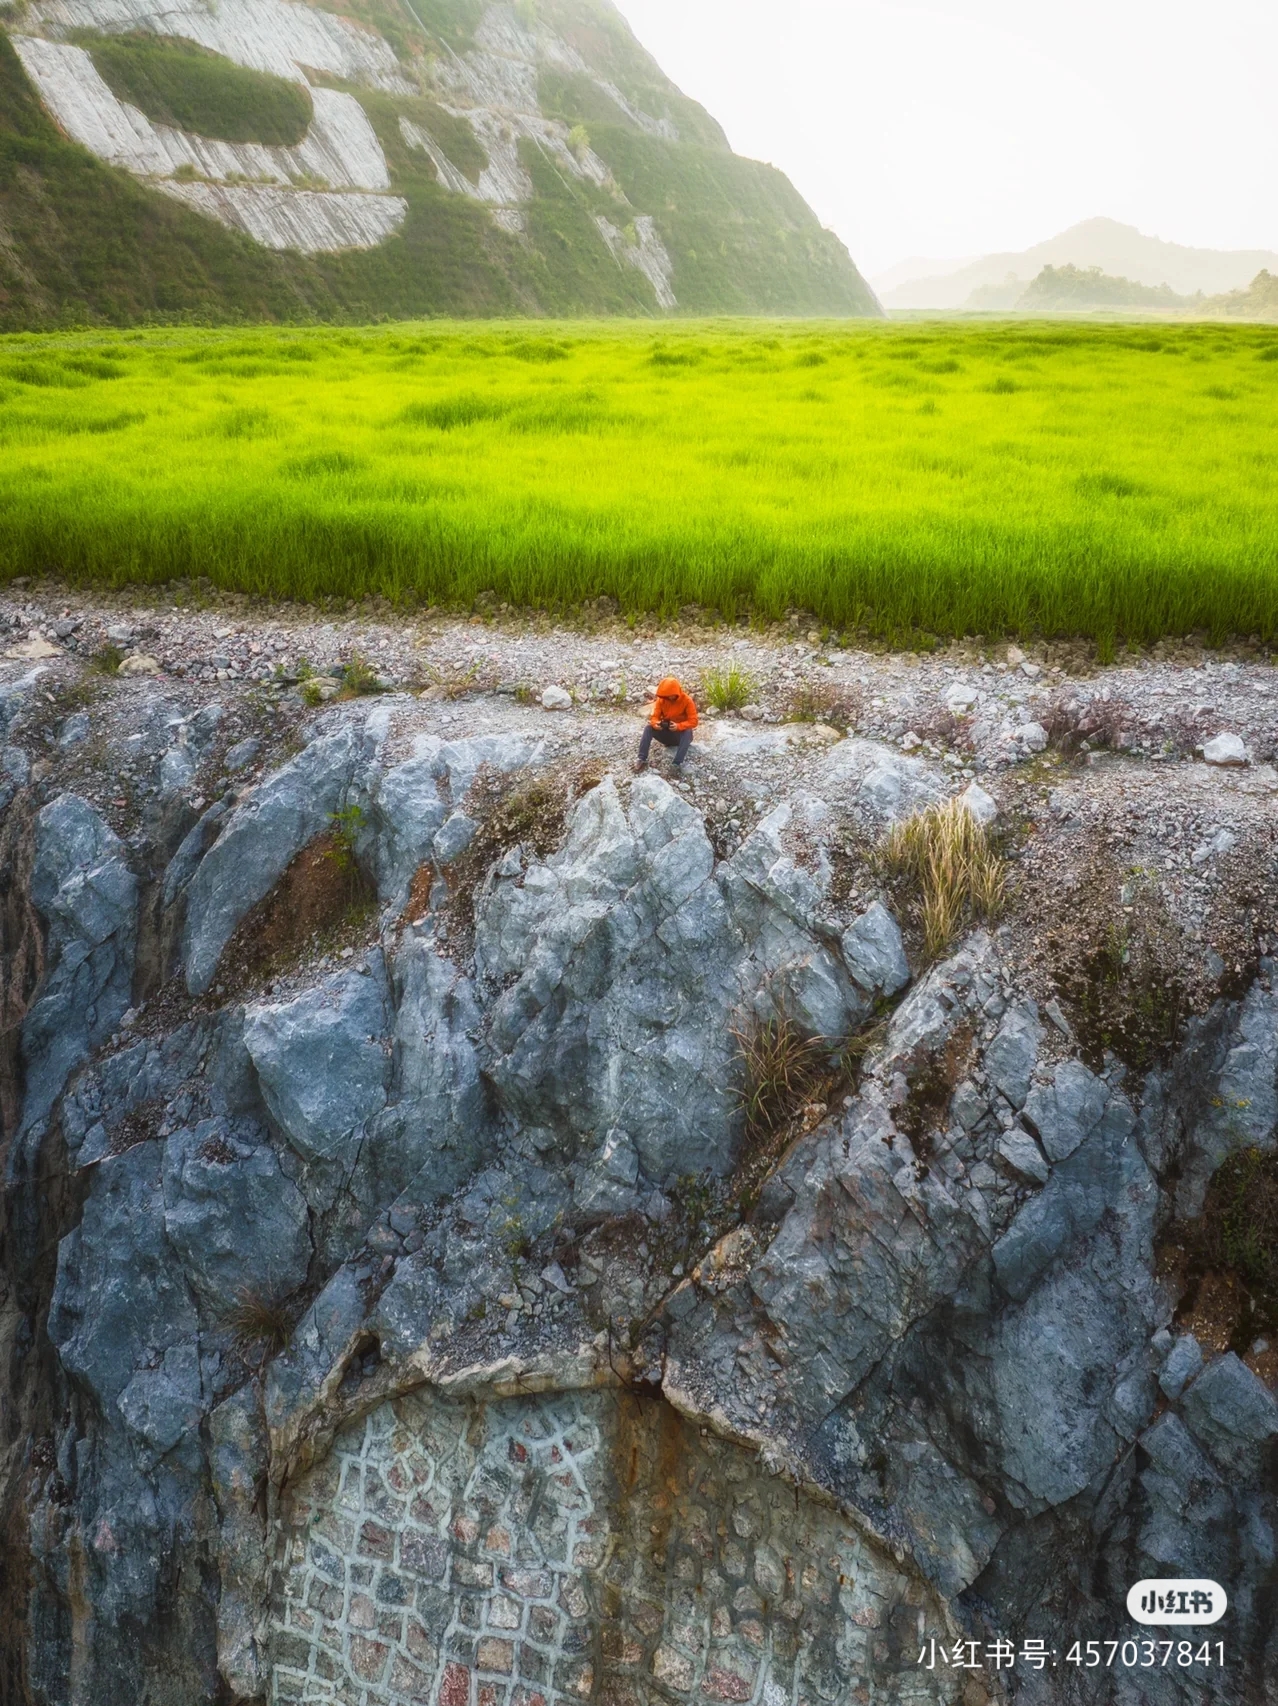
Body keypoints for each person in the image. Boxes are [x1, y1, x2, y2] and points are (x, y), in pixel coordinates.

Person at [637, 676, 698, 770]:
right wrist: (656, 724)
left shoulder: (687, 701)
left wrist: (678, 726)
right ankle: (641, 759)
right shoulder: (661, 700)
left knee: (688, 731)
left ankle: (676, 764)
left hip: (680, 737)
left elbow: (694, 721)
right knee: (648, 728)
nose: (670, 697)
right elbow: (654, 717)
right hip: (666, 735)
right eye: (667, 695)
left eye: (672, 694)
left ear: (677, 692)